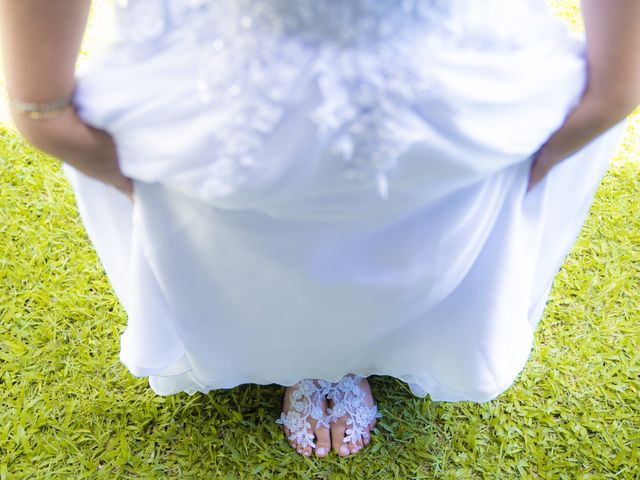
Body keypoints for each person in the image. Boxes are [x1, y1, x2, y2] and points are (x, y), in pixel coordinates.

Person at [1, 0, 638, 460]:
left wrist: (612, 91)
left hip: (447, 97)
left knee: (416, 241)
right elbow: (41, 94)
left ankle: (348, 355)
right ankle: (303, 357)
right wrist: (41, 110)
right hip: (216, 103)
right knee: (245, 251)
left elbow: (614, 77)